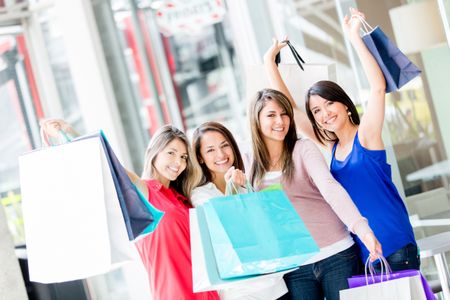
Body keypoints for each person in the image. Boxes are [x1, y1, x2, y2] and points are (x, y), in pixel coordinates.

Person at [263, 8, 418, 272]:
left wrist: (354, 36)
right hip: (364, 252)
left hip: (394, 245)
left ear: (345, 105)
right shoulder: (331, 148)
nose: (324, 114)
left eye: (329, 104)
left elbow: (377, 86)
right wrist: (270, 63)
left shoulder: (366, 136)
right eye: (316, 111)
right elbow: (291, 109)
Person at [40, 120, 219, 300]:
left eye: (183, 157)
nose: (178, 162)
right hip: (174, 295)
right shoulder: (145, 192)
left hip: (209, 294)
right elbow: (107, 163)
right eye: (171, 153)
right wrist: (69, 131)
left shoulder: (183, 200)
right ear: (153, 154)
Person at [247, 88, 381, 300]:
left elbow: (329, 187)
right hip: (294, 267)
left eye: (284, 114)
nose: (280, 121)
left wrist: (362, 229)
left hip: (336, 255)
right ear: (256, 120)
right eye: (271, 115)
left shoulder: (303, 149)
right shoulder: (250, 166)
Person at [191, 121, 288, 300]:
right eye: (210, 150)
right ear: (200, 157)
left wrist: (244, 188)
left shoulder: (247, 182)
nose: (221, 154)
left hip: (274, 284)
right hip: (239, 291)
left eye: (224, 145)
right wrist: (232, 189)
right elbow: (224, 228)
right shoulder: (200, 194)